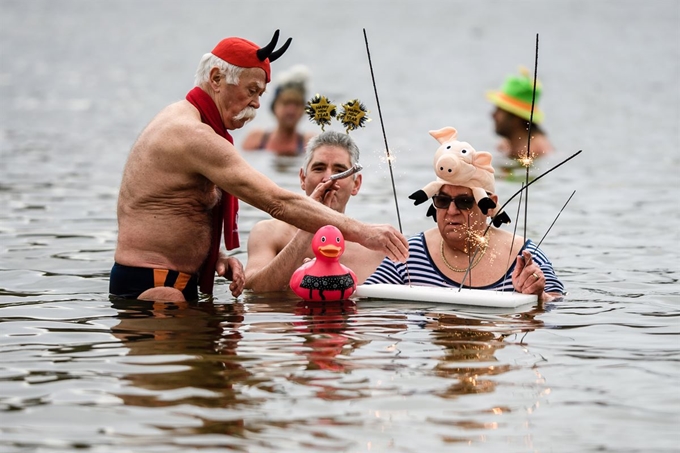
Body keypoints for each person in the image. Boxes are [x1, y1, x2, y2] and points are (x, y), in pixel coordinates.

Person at [109, 31, 408, 303]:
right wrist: (363, 232)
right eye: (251, 91)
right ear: (216, 78)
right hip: (153, 285)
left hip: (171, 279)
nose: (255, 104)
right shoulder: (191, 134)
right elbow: (278, 202)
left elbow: (174, 211)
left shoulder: (190, 121)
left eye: (260, 95)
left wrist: (213, 256)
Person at [365, 126, 564, 303]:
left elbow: (557, 303)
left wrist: (538, 296)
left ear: (490, 206)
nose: (451, 211)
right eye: (442, 201)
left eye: (465, 202)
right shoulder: (409, 255)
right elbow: (366, 301)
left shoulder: (523, 255)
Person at [244, 130, 385, 292]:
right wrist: (309, 227)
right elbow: (252, 291)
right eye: (319, 169)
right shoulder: (268, 232)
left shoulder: (375, 248)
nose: (328, 179)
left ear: (356, 185)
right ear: (303, 179)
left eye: (340, 171)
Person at [241, 64, 315, 156]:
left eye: (297, 104)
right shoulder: (256, 139)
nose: (291, 110)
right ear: (274, 107)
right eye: (286, 103)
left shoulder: (310, 144)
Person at [486, 66, 554, 161]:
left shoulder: (537, 150)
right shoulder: (504, 146)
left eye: (499, 111)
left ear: (516, 118)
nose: (493, 115)